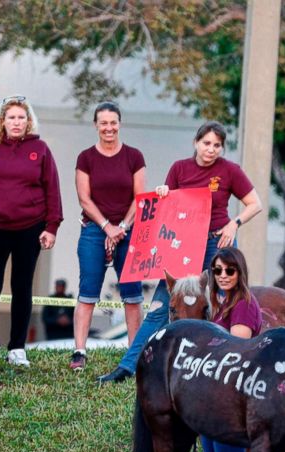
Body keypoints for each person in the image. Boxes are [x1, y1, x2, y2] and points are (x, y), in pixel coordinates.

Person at [97, 121, 262, 384]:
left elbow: (255, 203)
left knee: (217, 306)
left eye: (217, 145)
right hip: (182, 246)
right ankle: (127, 367)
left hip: (216, 244)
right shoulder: (179, 168)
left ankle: (215, 368)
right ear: (196, 143)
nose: (211, 150)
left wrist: (234, 223)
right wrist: (164, 192)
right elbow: (168, 207)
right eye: (206, 143)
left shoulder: (230, 171)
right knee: (161, 307)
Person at [0, 95, 62, 367]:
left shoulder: (39, 149)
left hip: (29, 228)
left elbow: (52, 189)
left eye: (21, 117)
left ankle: (17, 348)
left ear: (28, 122)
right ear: (2, 121)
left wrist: (51, 227)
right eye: (11, 117)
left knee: (22, 287)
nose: (16, 122)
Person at [70, 102, 145, 371]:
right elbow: (84, 198)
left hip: (129, 228)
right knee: (88, 291)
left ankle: (134, 353)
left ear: (120, 124)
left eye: (113, 122)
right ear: (96, 125)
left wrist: (122, 227)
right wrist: (106, 227)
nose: (109, 128)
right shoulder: (86, 157)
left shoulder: (134, 156)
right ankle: (79, 351)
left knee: (132, 294)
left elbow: (140, 198)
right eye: (103, 123)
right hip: (94, 228)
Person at [200, 248, 259, 452]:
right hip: (210, 399)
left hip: (231, 401)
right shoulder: (219, 305)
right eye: (217, 270)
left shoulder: (244, 305)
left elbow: (235, 351)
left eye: (229, 270)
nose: (222, 276)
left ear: (240, 272)